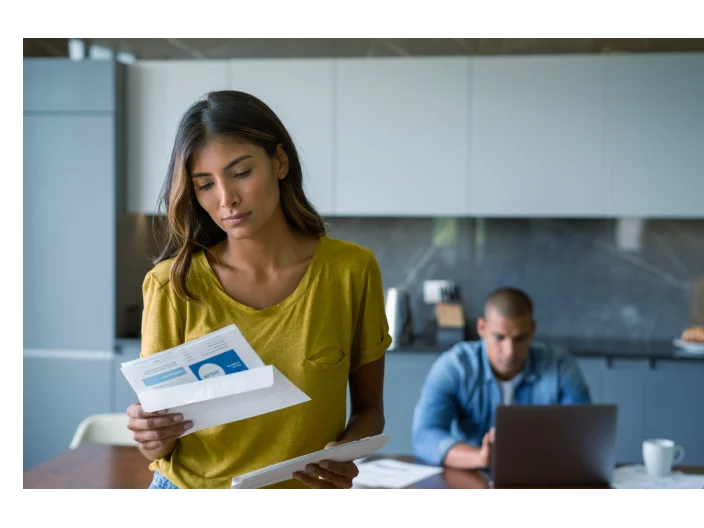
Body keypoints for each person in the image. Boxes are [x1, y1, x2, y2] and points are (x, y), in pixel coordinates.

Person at [126, 90, 391, 492]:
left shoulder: (351, 272)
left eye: (241, 173)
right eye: (205, 185)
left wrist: (342, 454)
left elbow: (371, 411)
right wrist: (150, 434)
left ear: (280, 162)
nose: (226, 198)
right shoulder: (171, 285)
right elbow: (160, 447)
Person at [411, 287, 591, 470]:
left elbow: (583, 434)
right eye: (499, 337)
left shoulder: (560, 366)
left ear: (532, 330)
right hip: (473, 474)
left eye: (520, 338)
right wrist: (478, 457)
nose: (509, 351)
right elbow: (424, 435)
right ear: (482, 328)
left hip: (540, 474)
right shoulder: (455, 367)